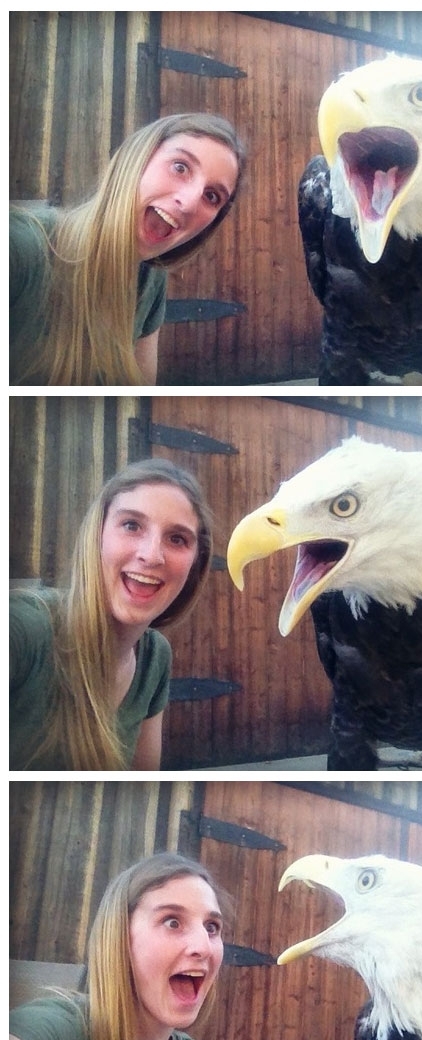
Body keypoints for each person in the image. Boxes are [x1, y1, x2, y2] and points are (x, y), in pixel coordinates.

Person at [10, 851, 228, 1040]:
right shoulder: (56, 1035)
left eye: (212, 927)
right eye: (172, 922)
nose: (204, 946)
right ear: (119, 938)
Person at [10, 112, 246, 385]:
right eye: (180, 167)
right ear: (137, 158)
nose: (191, 202)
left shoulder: (149, 280)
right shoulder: (19, 248)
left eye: (212, 196)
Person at [9, 457, 213, 770]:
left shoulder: (154, 658)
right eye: (131, 525)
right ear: (97, 533)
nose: (151, 555)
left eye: (177, 538)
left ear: (195, 563)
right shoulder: (23, 629)